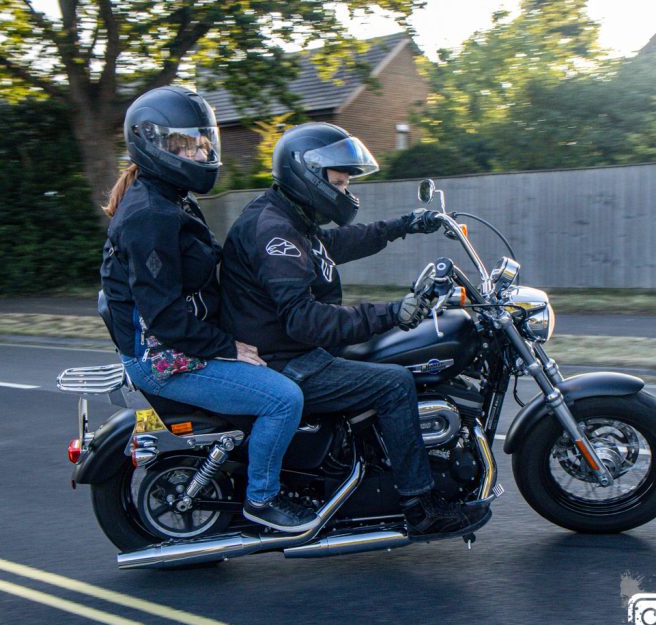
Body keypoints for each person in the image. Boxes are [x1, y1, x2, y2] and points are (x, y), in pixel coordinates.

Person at [219, 122, 490, 541]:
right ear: (308, 175)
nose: (346, 192)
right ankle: (420, 506)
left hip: (295, 349)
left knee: (385, 355)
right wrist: (392, 313)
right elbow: (304, 320)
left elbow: (340, 243)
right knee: (395, 384)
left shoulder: (290, 217)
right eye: (340, 183)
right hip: (286, 360)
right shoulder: (276, 231)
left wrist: (407, 224)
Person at [99, 86, 315, 533]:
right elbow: (164, 319)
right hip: (165, 357)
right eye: (189, 146)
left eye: (203, 143)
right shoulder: (149, 216)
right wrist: (227, 347)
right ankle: (262, 499)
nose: (202, 154)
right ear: (155, 145)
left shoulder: (170, 197)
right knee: (283, 399)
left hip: (185, 342)